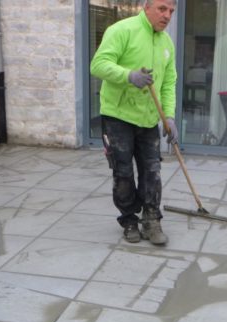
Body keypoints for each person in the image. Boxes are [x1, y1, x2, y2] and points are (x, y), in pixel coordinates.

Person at [90, 0, 178, 245]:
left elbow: (169, 83)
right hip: (118, 117)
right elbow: (98, 65)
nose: (167, 15)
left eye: (171, 11)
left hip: (149, 119)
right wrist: (129, 76)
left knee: (152, 171)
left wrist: (168, 116)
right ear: (146, 7)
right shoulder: (121, 30)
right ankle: (129, 218)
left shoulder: (166, 43)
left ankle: (151, 219)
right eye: (162, 9)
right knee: (124, 172)